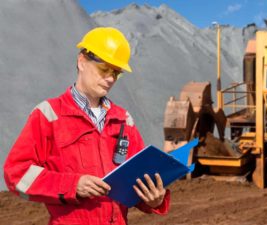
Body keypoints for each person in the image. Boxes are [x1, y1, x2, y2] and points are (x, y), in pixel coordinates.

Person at [3, 27, 170, 225]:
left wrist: (154, 200)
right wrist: (72, 185)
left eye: (116, 73)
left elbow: (137, 181)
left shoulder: (123, 120)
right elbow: (17, 174)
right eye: (105, 69)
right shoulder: (49, 115)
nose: (110, 79)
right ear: (82, 61)